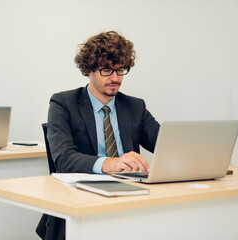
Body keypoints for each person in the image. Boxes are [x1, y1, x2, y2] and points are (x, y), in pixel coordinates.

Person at [36, 31, 160, 240]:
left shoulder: (135, 106)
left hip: (130, 200)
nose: (115, 78)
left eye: (120, 70)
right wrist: (110, 163)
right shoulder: (63, 104)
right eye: (106, 70)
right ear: (88, 70)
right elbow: (64, 159)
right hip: (82, 202)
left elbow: (164, 145)